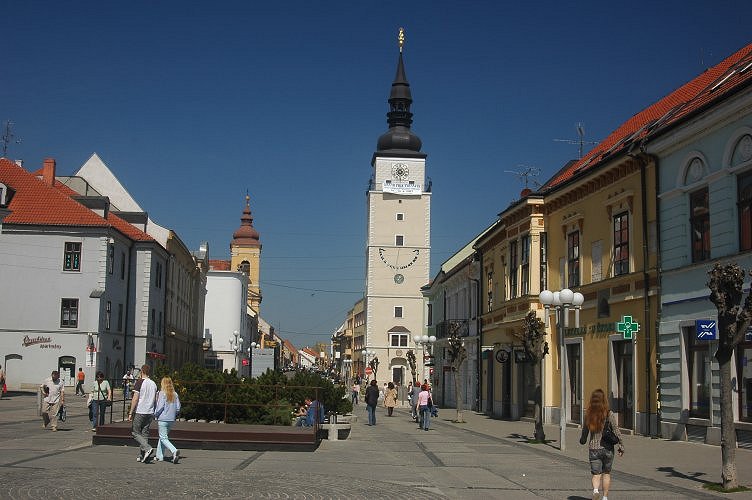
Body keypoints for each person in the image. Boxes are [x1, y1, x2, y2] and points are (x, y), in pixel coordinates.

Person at [579, 389, 624, 500]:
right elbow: (616, 430)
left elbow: (585, 431)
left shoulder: (588, 414)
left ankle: (595, 490)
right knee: (606, 473)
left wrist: (583, 440)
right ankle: (604, 497)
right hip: (608, 449)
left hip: (594, 449)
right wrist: (621, 445)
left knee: (596, 473)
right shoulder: (609, 414)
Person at [128, 364, 158, 463]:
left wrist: (130, 412)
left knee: (135, 432)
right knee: (144, 433)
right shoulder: (153, 383)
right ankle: (142, 455)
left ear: (142, 372)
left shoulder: (139, 382)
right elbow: (155, 399)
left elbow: (135, 398)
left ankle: (147, 448)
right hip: (150, 411)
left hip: (141, 410)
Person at [154, 376, 181, 464]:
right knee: (162, 437)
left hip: (162, 419)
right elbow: (178, 408)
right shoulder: (175, 394)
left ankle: (174, 450)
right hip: (171, 419)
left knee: (163, 437)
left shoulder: (162, 393)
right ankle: (159, 456)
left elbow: (160, 407)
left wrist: (155, 414)